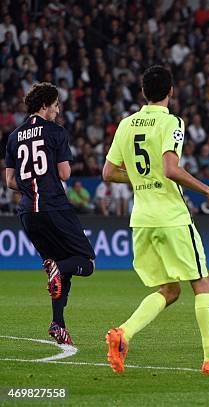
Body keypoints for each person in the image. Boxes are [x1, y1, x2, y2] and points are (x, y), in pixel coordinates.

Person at [102, 65, 209, 374]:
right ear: (171, 91)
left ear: (142, 93)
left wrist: (140, 178)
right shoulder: (172, 122)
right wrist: (208, 190)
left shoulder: (126, 124)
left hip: (142, 221)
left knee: (170, 290)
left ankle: (123, 333)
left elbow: (108, 173)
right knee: (202, 283)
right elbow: (170, 168)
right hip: (172, 218)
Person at [4, 82, 95, 345]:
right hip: (53, 206)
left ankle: (58, 324)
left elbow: (10, 181)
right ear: (44, 105)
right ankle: (59, 269)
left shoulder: (13, 137)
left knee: (57, 268)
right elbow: (65, 174)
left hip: (27, 213)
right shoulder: (55, 132)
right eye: (55, 105)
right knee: (86, 262)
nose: (57, 110)